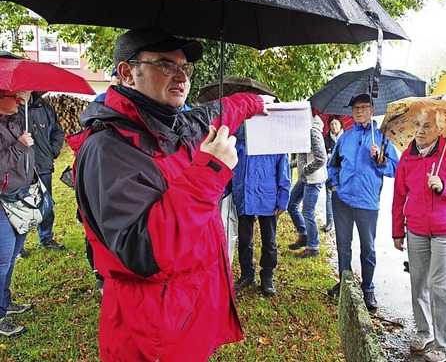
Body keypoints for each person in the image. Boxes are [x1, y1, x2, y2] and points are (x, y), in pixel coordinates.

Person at [67, 27, 273, 361]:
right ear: (127, 72)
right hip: (151, 333)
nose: (180, 76)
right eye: (165, 64)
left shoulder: (173, 123)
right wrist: (210, 172)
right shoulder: (108, 147)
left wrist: (254, 102)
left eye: (185, 68)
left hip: (188, 314)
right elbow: (143, 250)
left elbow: (216, 112)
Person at [392, 105, 446, 362]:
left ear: (440, 129)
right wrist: (397, 231)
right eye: (417, 124)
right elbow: (399, 196)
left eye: (427, 126)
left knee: (439, 287)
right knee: (418, 283)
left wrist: (444, 187)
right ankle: (424, 331)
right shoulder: (408, 156)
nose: (420, 130)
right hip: (417, 229)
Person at [326, 93, 399, 310]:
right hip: (343, 201)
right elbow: (333, 166)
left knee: (368, 248)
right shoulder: (345, 138)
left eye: (364, 107)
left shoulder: (383, 138)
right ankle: (345, 283)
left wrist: (380, 159)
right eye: (355, 108)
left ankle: (368, 289)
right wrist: (334, 185)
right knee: (343, 245)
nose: (359, 111)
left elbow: (396, 169)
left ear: (372, 109)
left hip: (367, 203)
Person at [231, 124, 290, 296]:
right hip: (244, 194)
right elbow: (230, 167)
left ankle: (267, 276)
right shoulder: (238, 137)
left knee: (269, 240)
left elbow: (283, 169)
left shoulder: (275, 139)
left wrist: (282, 198)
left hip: (268, 196)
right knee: (244, 238)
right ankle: (247, 274)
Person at [0, 89, 35, 337]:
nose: (19, 101)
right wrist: (20, 147)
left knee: (11, 257)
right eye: (13, 96)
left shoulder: (14, 121)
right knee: (1, 262)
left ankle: (5, 302)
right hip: (2, 201)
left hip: (19, 197)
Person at [20, 92, 65, 250]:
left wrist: (52, 151)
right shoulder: (10, 106)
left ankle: (46, 237)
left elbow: (58, 132)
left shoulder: (44, 107)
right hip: (19, 167)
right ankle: (19, 246)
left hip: (43, 164)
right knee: (19, 205)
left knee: (45, 203)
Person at [287, 114, 327, 258]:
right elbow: (301, 158)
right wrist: (287, 166)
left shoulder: (313, 133)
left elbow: (321, 158)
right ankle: (303, 234)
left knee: (308, 212)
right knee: (291, 204)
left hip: (314, 179)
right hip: (305, 178)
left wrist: (305, 170)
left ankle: (313, 247)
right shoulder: (302, 132)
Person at [321, 115, 343, 232]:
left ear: (340, 124)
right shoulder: (326, 139)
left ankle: (341, 222)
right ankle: (329, 222)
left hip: (344, 172)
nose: (334, 127)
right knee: (329, 196)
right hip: (330, 172)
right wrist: (327, 157)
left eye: (336, 124)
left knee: (342, 197)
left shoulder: (345, 138)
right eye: (331, 124)